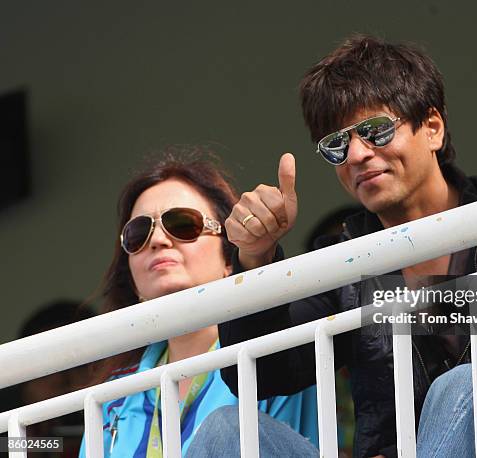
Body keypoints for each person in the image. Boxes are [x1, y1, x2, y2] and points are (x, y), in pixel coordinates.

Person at [192, 35, 477, 458]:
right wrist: (256, 256)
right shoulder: (345, 256)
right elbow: (258, 374)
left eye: (376, 130)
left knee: (466, 388)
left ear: (432, 128)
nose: (358, 154)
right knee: (227, 430)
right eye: (338, 145)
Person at [78, 149, 318, 457]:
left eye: (182, 224)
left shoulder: (270, 355)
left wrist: (256, 257)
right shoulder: (111, 400)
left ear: (230, 258)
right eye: (138, 233)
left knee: (227, 429)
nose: (158, 241)